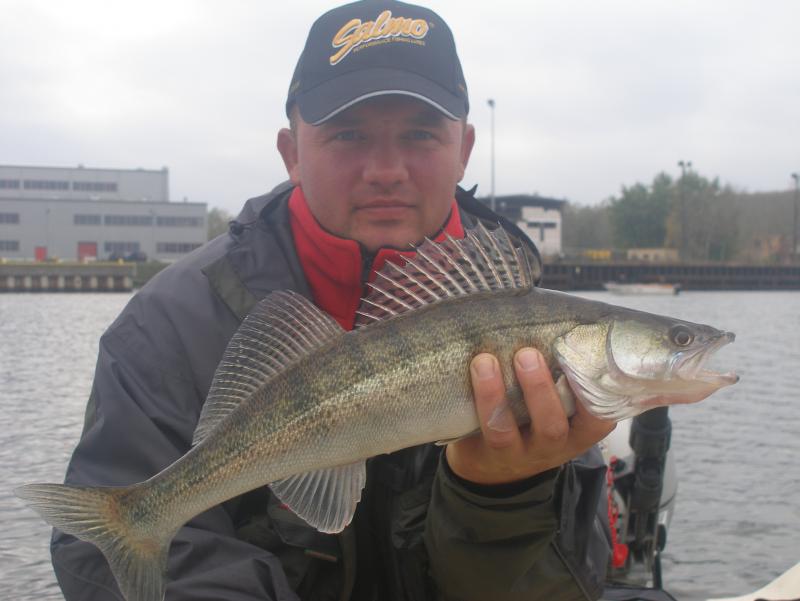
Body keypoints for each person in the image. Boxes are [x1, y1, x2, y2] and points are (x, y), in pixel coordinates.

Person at [51, 1, 616, 599]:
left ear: (464, 149)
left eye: (421, 134)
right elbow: (102, 558)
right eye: (348, 134)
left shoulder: (528, 323)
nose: (386, 170)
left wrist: (503, 495)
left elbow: (574, 584)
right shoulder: (170, 323)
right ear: (291, 152)